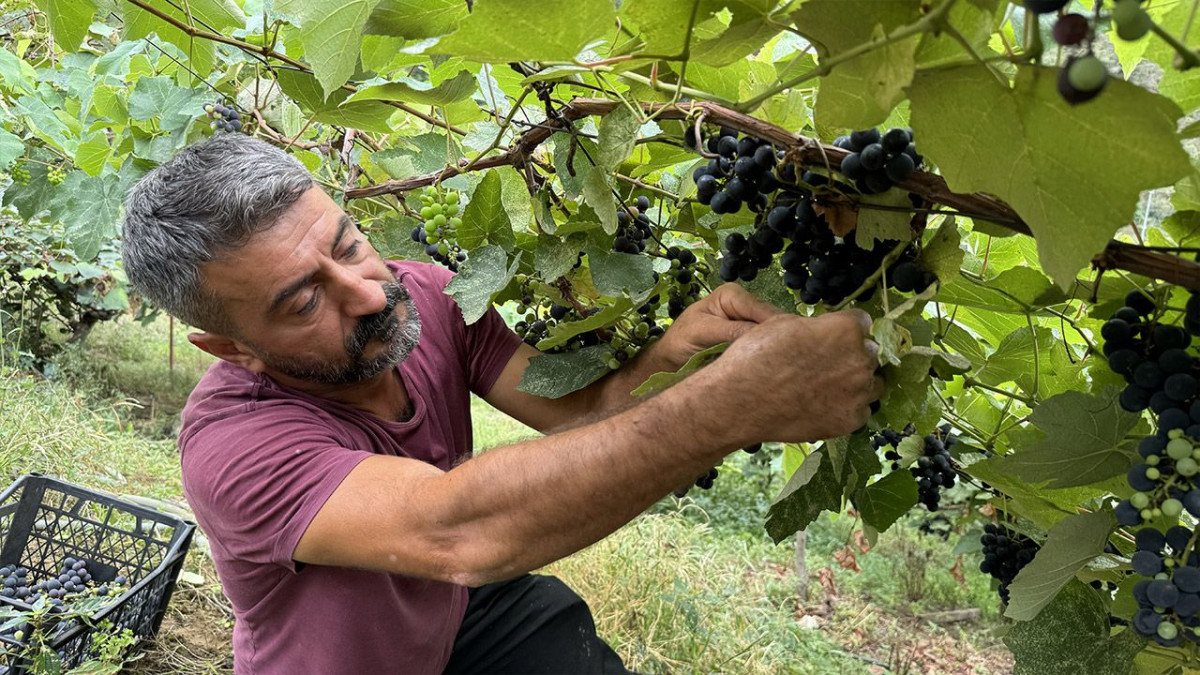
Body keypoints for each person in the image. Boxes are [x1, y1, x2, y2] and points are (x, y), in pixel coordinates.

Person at [120, 134, 882, 674]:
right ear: (234, 349)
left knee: (549, 620)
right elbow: (458, 531)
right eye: (302, 301)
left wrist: (671, 358)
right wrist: (732, 406)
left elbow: (582, 412)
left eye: (347, 246)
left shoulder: (428, 295)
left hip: (455, 614)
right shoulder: (233, 445)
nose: (366, 292)